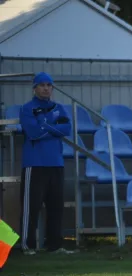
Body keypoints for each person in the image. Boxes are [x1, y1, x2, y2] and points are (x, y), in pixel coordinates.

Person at [19, 72, 72, 255]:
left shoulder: (60, 107)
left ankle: (55, 245)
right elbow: (33, 132)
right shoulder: (27, 108)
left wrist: (44, 124)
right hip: (35, 163)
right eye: (42, 85)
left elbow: (67, 129)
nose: (46, 88)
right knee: (31, 207)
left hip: (55, 163)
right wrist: (53, 126)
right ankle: (27, 245)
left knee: (56, 206)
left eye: (49, 85)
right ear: (35, 88)